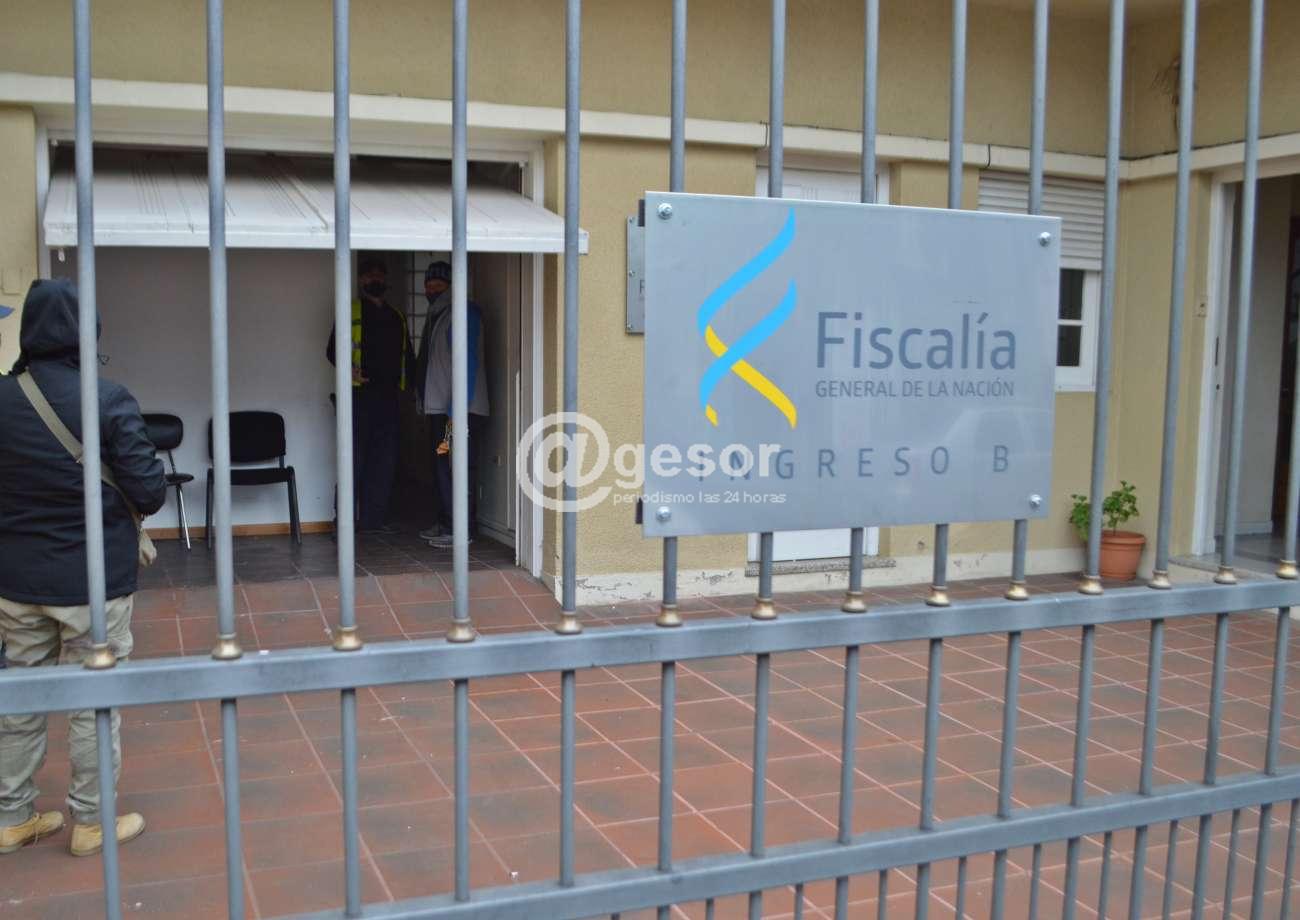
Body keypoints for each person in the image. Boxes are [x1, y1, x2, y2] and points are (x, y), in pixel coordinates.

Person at [0, 279, 166, 857]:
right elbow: (149, 490)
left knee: (19, 700)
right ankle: (93, 822)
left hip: (16, 582)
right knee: (93, 702)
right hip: (93, 582)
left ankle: (11, 818)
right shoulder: (107, 398)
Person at [327, 257, 413, 535]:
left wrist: (413, 393)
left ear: (385, 280)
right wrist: (349, 370)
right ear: (360, 280)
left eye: (379, 275)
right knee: (353, 459)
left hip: (388, 398)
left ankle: (373, 521)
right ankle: (343, 521)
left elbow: (408, 358)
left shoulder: (397, 316)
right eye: (368, 275)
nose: (374, 279)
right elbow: (332, 351)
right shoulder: (350, 310)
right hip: (358, 397)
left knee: (384, 461)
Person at [414, 261, 489, 546]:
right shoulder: (438, 315)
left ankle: (460, 530)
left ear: (452, 286)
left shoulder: (463, 313)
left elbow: (467, 363)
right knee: (442, 467)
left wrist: (455, 411)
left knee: (455, 468)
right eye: (429, 285)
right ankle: (447, 522)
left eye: (439, 285)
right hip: (441, 408)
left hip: (458, 410)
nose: (432, 290)